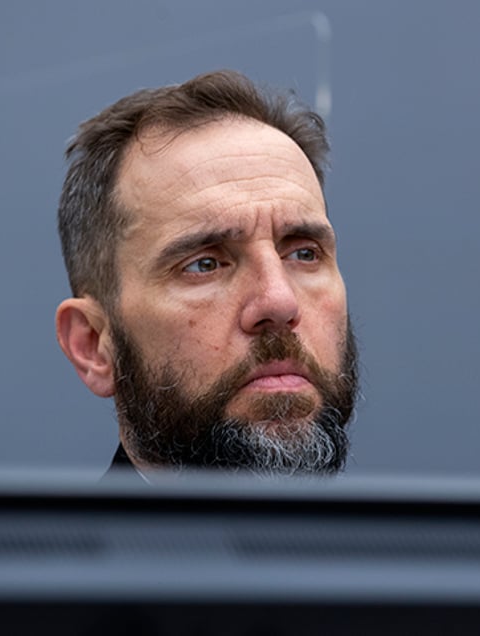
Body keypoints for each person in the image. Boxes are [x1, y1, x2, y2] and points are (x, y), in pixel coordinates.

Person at [55, 70, 359, 479]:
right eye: (205, 264)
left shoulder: (428, 540)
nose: (279, 302)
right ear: (93, 343)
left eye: (304, 253)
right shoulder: (32, 544)